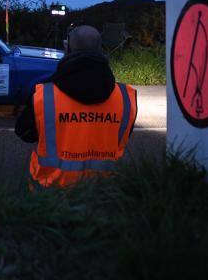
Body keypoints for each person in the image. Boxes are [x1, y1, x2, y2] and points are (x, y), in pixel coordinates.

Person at [15, 25, 137, 188]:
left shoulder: (45, 95)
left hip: (50, 195)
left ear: (67, 48)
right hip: (105, 192)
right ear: (101, 50)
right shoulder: (125, 97)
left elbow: (24, 133)